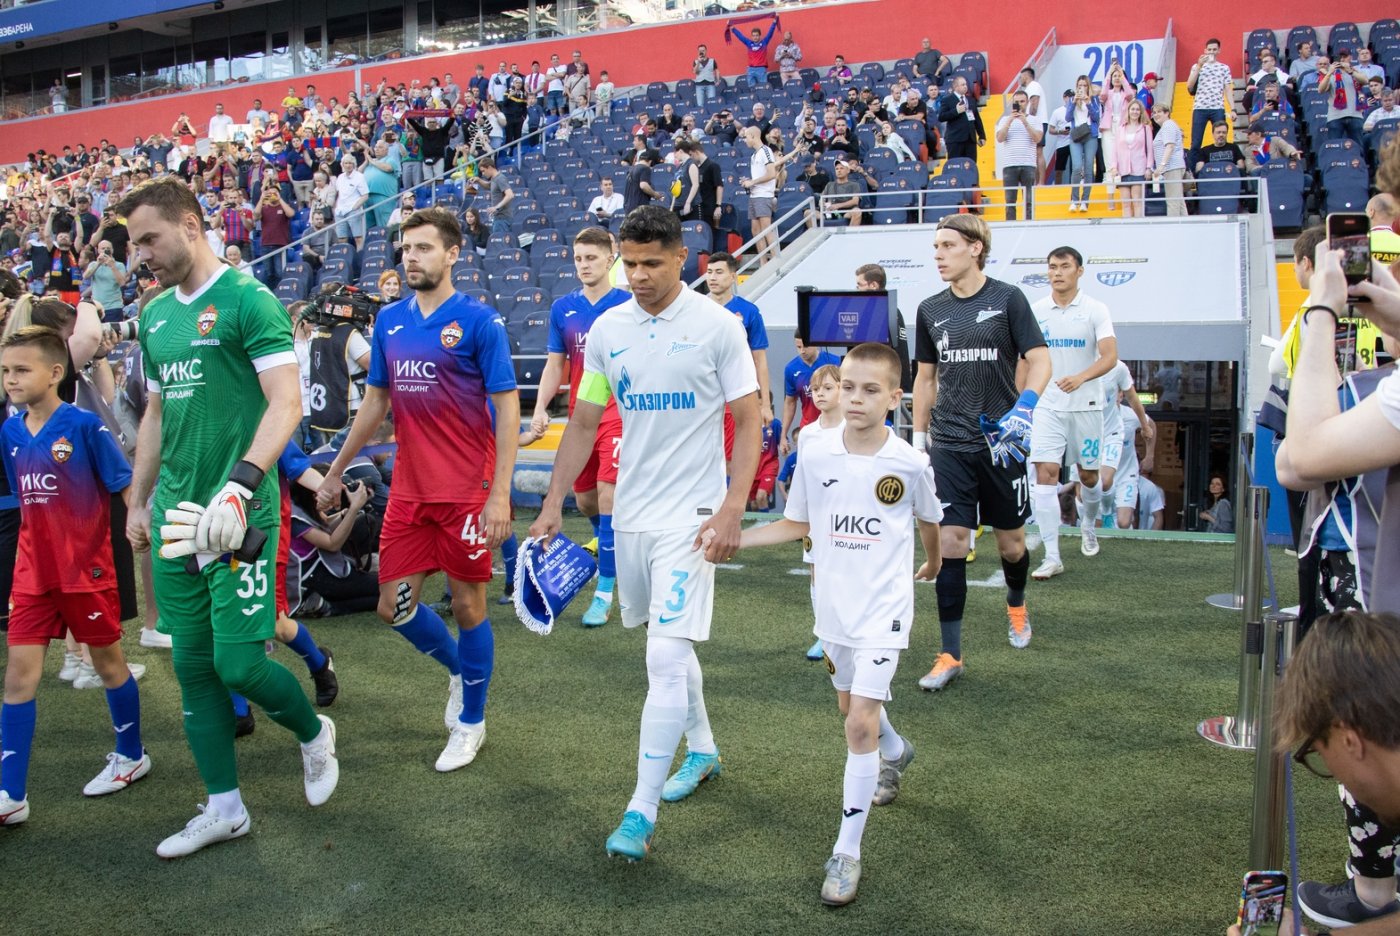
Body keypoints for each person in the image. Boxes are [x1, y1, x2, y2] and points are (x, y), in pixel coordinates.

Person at [528, 205, 761, 863]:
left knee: (662, 657)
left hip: (692, 518)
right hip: (630, 515)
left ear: (682, 258)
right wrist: (552, 504)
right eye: (629, 264)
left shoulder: (718, 327)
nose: (637, 275)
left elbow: (750, 420)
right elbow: (583, 421)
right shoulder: (608, 329)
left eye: (651, 263)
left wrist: (733, 507)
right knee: (669, 645)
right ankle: (704, 750)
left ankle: (640, 812)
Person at [116, 177, 338, 858]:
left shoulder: (248, 299)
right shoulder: (156, 316)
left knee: (239, 665)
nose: (140, 255)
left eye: (149, 239)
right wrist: (138, 497)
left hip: (241, 515)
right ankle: (224, 807)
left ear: (190, 225)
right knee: (192, 666)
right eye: (133, 244)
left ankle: (314, 734)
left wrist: (241, 486)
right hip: (176, 517)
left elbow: (286, 403)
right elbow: (156, 414)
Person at [738, 343, 942, 906]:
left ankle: (846, 853)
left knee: (857, 725)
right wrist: (735, 538)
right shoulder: (814, 449)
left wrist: (933, 562)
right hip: (832, 610)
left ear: (894, 398)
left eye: (871, 390)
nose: (855, 398)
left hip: (883, 611)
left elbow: (929, 519)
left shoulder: (910, 462)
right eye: (849, 387)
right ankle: (895, 751)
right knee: (849, 709)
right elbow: (795, 523)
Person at [317, 208, 516, 774]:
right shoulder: (389, 321)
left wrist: (500, 493)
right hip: (409, 491)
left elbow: (506, 408)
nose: (411, 257)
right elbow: (375, 402)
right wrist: (335, 470)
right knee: (392, 608)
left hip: (466, 491)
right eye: (406, 248)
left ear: (452, 254)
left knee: (469, 606)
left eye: (423, 248)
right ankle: (460, 671)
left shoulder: (479, 322)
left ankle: (471, 721)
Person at [0, 326, 147, 827]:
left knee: (108, 665)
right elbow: (24, 503)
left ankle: (131, 755)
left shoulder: (84, 426)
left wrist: (139, 528)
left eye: (22, 370)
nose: (11, 379)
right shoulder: (10, 432)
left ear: (55, 373)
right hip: (32, 575)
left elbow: (123, 484)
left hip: (85, 572)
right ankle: (11, 793)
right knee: (18, 676)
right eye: (5, 371)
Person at [911, 214, 1051, 692]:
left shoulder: (1009, 299)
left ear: (975, 248)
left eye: (947, 245)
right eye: (935, 247)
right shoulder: (930, 309)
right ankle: (950, 655)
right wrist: (919, 441)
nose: (938, 255)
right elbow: (925, 379)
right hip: (950, 443)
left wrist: (1024, 408)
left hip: (1001, 443)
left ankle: (1016, 602)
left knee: (1012, 546)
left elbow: (1041, 360)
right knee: (953, 541)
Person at [529, 227, 631, 628]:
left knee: (608, 496)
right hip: (580, 415)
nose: (584, 265)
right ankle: (612, 543)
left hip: (618, 411)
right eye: (578, 258)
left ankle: (604, 592)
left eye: (591, 257)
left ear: (610, 258)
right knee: (585, 499)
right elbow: (556, 363)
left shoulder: (627, 305)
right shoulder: (563, 308)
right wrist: (541, 407)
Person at [1027, 246, 1118, 579]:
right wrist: (1022, 402)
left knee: (1089, 476)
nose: (1057, 272)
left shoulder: (1096, 309)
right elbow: (1025, 359)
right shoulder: (1036, 310)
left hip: (1086, 404)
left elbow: (1109, 356)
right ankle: (1052, 556)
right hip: (1047, 404)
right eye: (1052, 267)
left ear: (1079, 271)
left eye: (1064, 266)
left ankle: (1088, 524)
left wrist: (1080, 378)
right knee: (1045, 473)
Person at [781, 334, 843, 457]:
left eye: (805, 346)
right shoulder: (791, 369)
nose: (802, 351)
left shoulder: (835, 362)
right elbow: (790, 403)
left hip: (835, 425)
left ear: (815, 343)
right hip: (809, 425)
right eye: (798, 347)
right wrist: (783, 435)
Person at [1186, 38, 1233, 170]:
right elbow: (1189, 86)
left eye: (1214, 49)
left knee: (1221, 137)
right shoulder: (1196, 66)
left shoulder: (1224, 68)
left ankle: (1224, 168)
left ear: (1219, 51)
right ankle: (1192, 173)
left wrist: (1233, 108)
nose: (1211, 52)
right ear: (1205, 50)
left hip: (1217, 107)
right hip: (1200, 107)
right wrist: (1199, 66)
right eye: (1209, 49)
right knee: (1196, 142)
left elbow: (1228, 89)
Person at [995, 90, 1042, 221]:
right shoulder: (1004, 120)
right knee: (1010, 201)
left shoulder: (1034, 120)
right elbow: (1000, 138)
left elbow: (1037, 138)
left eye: (1022, 101)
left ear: (1027, 103)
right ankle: (1010, 227)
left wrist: (1025, 122)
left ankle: (1029, 226)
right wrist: (1009, 120)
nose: (1020, 104)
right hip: (1010, 165)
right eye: (1017, 102)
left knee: (1029, 201)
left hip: (1029, 164)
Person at [1114, 100, 1155, 219]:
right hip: (1123, 170)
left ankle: (1139, 226)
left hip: (1139, 169)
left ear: (1141, 112)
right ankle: (1127, 227)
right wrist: (1114, 167)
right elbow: (1115, 149)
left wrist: (1149, 167)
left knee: (1137, 202)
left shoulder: (1145, 128)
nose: (1135, 112)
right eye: (1132, 109)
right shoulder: (1121, 129)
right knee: (1125, 204)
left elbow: (1150, 149)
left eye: (1137, 109)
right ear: (1128, 111)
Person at [1067, 78, 1102, 212]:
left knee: (1088, 168)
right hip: (1076, 135)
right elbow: (1067, 117)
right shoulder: (1072, 100)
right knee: (1076, 167)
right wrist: (1073, 103)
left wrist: (1088, 103)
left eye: (1084, 85)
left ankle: (1085, 201)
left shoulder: (1094, 99)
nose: (1082, 88)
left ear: (1088, 87)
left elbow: (1096, 118)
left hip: (1090, 135)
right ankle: (1074, 200)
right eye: (1079, 85)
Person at [1319, 49, 1366, 146]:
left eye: (1345, 57)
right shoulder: (1330, 74)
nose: (1342, 60)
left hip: (1355, 115)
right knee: (1334, 146)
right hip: (1335, 116)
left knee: (1358, 146)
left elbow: (1365, 81)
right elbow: (1321, 90)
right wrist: (1329, 73)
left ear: (1350, 58)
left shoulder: (1355, 72)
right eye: (1340, 58)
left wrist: (1350, 71)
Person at [1150, 104, 1188, 217]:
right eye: (1154, 112)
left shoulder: (1168, 125)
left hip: (1172, 167)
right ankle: (1186, 224)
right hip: (1172, 167)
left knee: (1172, 202)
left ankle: (1173, 225)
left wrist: (1161, 165)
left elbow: (1170, 146)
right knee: (1178, 201)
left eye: (1159, 112)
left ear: (1167, 113)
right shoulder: (1167, 126)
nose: (1156, 115)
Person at [939, 77, 985, 161]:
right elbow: (941, 117)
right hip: (955, 140)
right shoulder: (947, 100)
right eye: (963, 85)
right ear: (956, 87)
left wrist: (982, 136)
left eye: (966, 84)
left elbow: (977, 119)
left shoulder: (971, 100)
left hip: (970, 140)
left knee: (971, 165)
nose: (965, 86)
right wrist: (956, 111)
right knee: (955, 165)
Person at [731, 17, 778, 89]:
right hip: (751, 69)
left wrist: (774, 22)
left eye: (756, 35)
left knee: (763, 87)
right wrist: (733, 29)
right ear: (751, 36)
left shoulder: (764, 42)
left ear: (760, 36)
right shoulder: (749, 43)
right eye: (753, 35)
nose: (755, 37)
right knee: (752, 88)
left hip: (761, 69)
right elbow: (741, 36)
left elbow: (770, 33)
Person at [332, 155, 368, 250]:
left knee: (358, 238)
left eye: (350, 163)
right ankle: (344, 257)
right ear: (343, 164)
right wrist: (336, 208)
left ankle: (359, 255)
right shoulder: (340, 177)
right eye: (346, 163)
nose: (348, 165)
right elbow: (338, 194)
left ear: (354, 164)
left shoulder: (359, 177)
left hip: (353, 211)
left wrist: (354, 207)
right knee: (342, 238)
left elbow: (365, 195)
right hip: (340, 212)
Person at [478, 157, 514, 237]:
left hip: (502, 219)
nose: (483, 174)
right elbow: (488, 186)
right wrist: (478, 180)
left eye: (483, 171)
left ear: (489, 167)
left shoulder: (500, 178)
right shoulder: (494, 179)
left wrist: (496, 207)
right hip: (498, 218)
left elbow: (510, 195)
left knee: (500, 243)